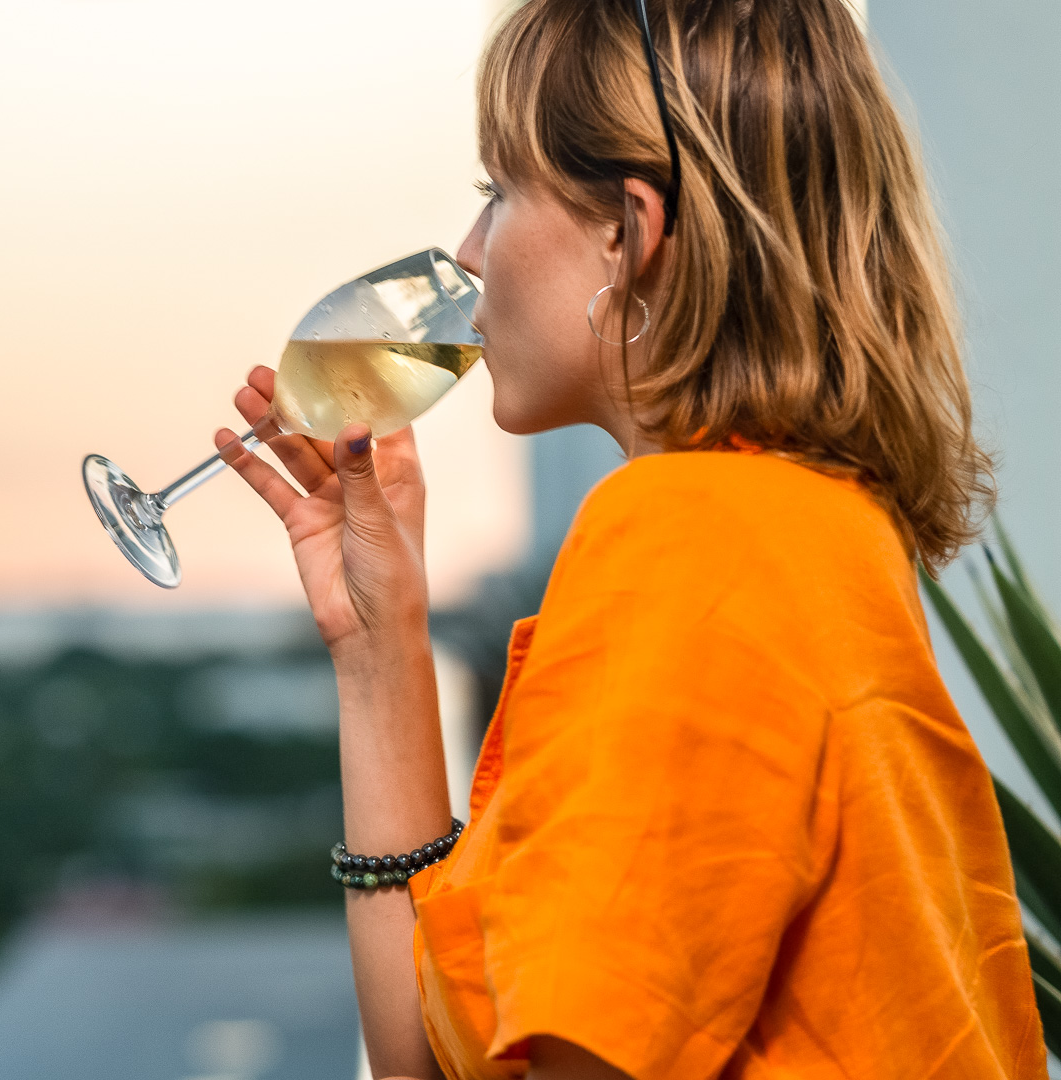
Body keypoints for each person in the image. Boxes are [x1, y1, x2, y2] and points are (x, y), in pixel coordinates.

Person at [211, 0, 1045, 1076]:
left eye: (498, 192)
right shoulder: (814, 531)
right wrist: (378, 650)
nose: (466, 255)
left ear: (628, 229)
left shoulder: (689, 541)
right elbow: (439, 1051)